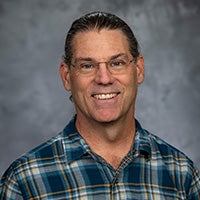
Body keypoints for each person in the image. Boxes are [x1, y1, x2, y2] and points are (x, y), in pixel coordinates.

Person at [0, 11, 200, 200]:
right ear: (67, 76)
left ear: (138, 69)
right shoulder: (24, 181)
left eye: (117, 63)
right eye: (87, 66)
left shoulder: (181, 174)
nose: (104, 78)